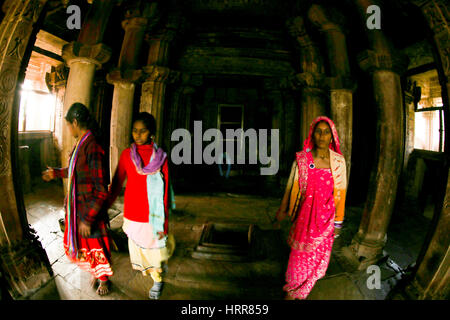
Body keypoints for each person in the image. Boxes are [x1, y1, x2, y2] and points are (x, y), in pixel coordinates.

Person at [42, 102, 113, 296]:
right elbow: (75, 172)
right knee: (87, 245)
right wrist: (55, 173)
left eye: (68, 125)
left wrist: (89, 218)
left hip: (90, 209)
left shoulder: (92, 148)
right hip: (79, 208)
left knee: (97, 245)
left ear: (74, 122)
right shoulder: (81, 144)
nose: (68, 128)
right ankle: (97, 273)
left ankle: (104, 279)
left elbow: (100, 190)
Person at [274, 116, 347, 300]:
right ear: (312, 134)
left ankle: (301, 295)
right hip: (304, 222)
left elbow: (341, 193)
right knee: (294, 272)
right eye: (318, 131)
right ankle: (291, 294)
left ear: (332, 136)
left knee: (316, 269)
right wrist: (282, 210)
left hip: (326, 223)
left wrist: (338, 223)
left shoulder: (339, 162)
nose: (322, 135)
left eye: (326, 132)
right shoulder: (302, 160)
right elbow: (291, 187)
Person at [106, 112, 175, 300]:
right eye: (135, 131)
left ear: (151, 133)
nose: (137, 135)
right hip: (132, 213)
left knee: (154, 252)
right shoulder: (127, 155)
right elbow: (117, 182)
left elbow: (165, 191)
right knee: (138, 251)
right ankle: (153, 272)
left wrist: (164, 222)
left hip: (152, 215)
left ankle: (158, 279)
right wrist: (106, 204)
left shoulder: (160, 158)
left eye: (142, 131)